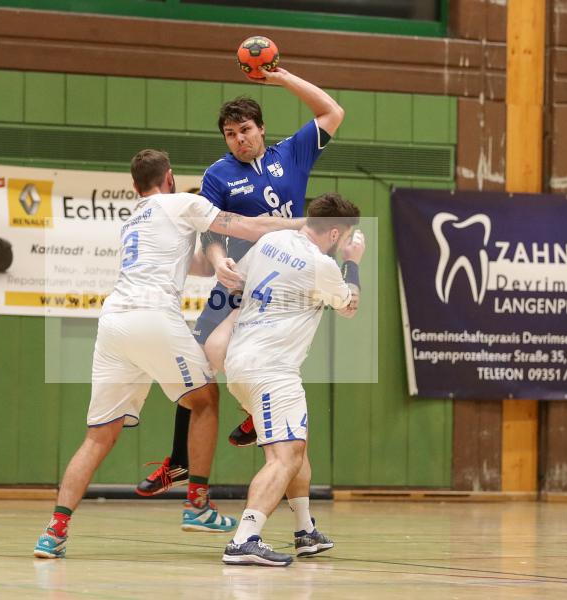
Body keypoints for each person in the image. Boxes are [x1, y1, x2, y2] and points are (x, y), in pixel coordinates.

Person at [34, 149, 305, 559]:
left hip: (113, 325)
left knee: (97, 437)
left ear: (135, 186)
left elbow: (190, 264)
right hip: (152, 316)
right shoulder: (181, 202)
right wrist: (306, 224)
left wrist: (220, 265)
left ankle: (54, 531)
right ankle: (197, 503)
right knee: (205, 399)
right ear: (170, 178)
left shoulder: (133, 218)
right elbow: (249, 226)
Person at [136, 66, 345, 497]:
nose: (239, 139)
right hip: (239, 280)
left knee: (264, 358)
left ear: (261, 128)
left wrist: (282, 78)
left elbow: (332, 111)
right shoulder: (218, 174)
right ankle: (179, 460)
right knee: (199, 362)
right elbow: (209, 228)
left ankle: (254, 416)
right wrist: (217, 260)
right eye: (231, 134)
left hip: (286, 280)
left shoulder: (291, 153)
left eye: (245, 130)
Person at [221, 192, 364, 566]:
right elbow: (350, 307)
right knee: (284, 457)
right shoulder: (323, 265)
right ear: (334, 233)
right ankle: (245, 538)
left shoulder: (271, 240)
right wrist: (353, 264)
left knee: (296, 445)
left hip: (240, 360)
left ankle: (304, 531)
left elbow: (237, 281)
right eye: (346, 237)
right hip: (272, 368)